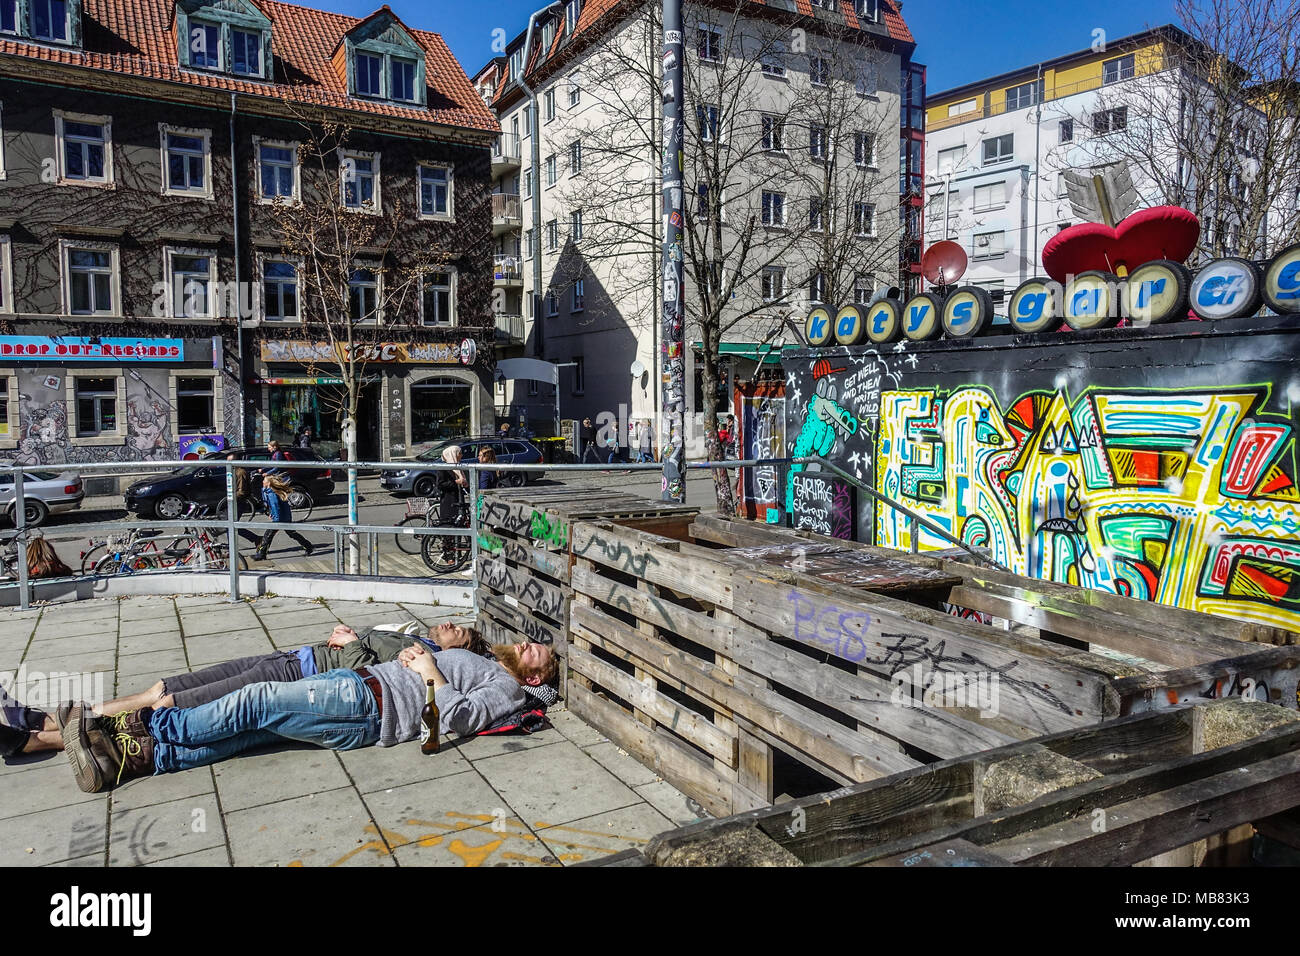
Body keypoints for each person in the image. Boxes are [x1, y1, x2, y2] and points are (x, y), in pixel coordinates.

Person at [62, 641, 559, 793]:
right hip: (365, 696)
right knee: (254, 731)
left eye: (537, 653)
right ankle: (138, 761)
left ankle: (150, 729)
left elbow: (462, 719)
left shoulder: (510, 688)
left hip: (367, 703)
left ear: (534, 678)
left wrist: (430, 670)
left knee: (256, 699)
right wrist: (420, 655)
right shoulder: (493, 665)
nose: (528, 645)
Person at [0, 621, 485, 758]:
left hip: (301, 676)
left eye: (460, 630)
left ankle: (41, 736)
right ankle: (67, 716)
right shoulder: (413, 634)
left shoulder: (426, 656)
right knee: (171, 684)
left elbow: (370, 674)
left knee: (183, 702)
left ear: (467, 647)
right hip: (291, 655)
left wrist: (355, 643)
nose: (451, 626)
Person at [252, 474, 314, 561]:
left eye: (264, 480)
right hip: (283, 517)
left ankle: (261, 554)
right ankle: (309, 546)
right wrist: (271, 513)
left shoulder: (272, 493)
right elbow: (272, 506)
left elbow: (275, 506)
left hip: (280, 518)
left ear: (269, 483)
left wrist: (275, 519)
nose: (263, 481)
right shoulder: (269, 491)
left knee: (268, 535)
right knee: (291, 533)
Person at [437, 445, 468, 561]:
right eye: (459, 453)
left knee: (459, 526)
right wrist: (456, 482)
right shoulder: (443, 468)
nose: (461, 455)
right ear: (453, 454)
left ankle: (458, 555)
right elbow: (440, 484)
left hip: (458, 499)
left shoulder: (457, 467)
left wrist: (465, 483)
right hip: (448, 502)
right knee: (449, 528)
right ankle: (448, 555)